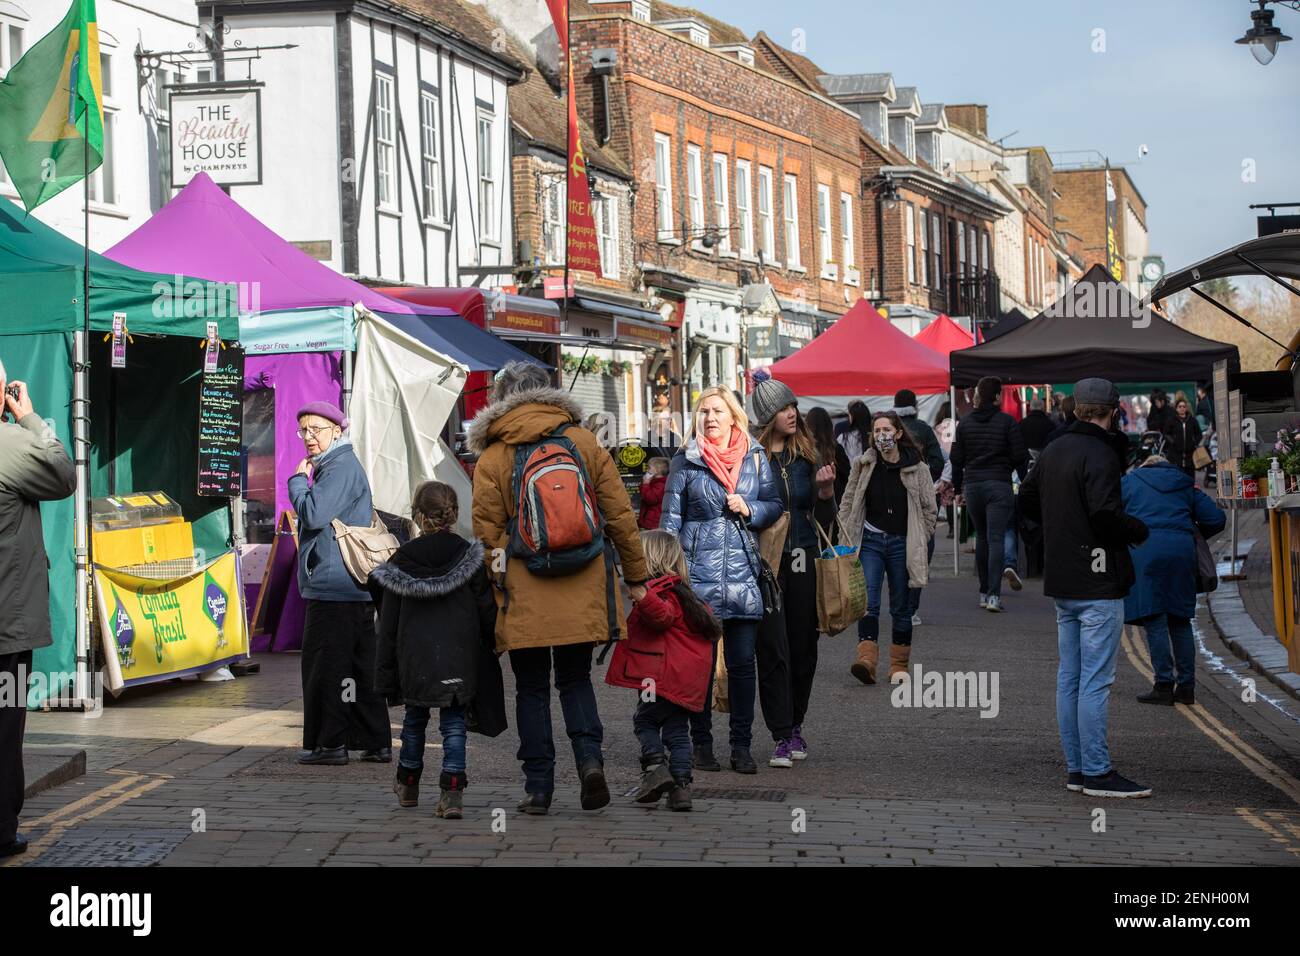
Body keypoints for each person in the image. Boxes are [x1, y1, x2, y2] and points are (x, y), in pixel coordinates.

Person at [468, 362, 649, 814]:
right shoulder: (584, 442)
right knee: (574, 679)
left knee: (531, 688)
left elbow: (487, 537)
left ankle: (538, 787)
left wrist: (497, 583)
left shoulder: (493, 456)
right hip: (583, 583)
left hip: (524, 588)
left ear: (502, 398)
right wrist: (637, 577)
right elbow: (621, 517)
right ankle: (590, 762)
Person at [1018, 378, 1152, 798]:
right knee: (1095, 680)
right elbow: (1105, 514)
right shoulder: (1101, 453)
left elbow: (1025, 501)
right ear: (1111, 411)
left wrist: (1051, 536)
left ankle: (1078, 768)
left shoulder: (1054, 449)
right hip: (1097, 580)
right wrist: (1138, 530)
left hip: (1063, 578)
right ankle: (1097, 771)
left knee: (1070, 678)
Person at [660, 386, 782, 774]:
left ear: (733, 416)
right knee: (700, 664)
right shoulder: (686, 460)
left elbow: (775, 504)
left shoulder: (755, 457)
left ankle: (741, 746)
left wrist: (752, 507)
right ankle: (702, 746)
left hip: (744, 573)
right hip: (698, 578)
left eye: (717, 411)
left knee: (744, 664)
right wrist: (664, 574)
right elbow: (670, 521)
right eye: (703, 412)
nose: (709, 418)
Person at [369, 481, 505, 820]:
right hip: (459, 656)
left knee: (414, 721)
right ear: (454, 514)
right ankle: (452, 793)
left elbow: (388, 622)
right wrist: (492, 644)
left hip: (415, 659)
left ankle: (408, 785)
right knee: (454, 725)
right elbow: (486, 610)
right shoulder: (469, 558)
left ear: (417, 515)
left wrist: (387, 668)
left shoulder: (402, 560)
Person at [288, 401, 392, 766]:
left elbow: (314, 514)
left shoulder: (339, 466)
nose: (308, 437)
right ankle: (375, 741)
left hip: (334, 586)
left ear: (337, 430)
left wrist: (297, 483)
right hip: (352, 585)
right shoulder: (338, 465)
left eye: (316, 429)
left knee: (327, 667)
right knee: (360, 666)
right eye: (303, 430)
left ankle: (330, 744)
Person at [0, 367, 76, 858]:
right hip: (5, 624)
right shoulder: (9, 445)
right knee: (4, 727)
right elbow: (63, 473)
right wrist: (28, 417)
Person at [750, 377, 837, 768]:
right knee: (772, 646)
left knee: (804, 645)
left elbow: (825, 520)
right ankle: (781, 733)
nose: (792, 413)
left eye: (793, 406)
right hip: (767, 563)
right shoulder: (752, 459)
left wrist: (825, 494)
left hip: (803, 556)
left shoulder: (807, 456)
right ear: (768, 416)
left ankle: (797, 722)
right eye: (784, 408)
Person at [606, 530, 721, 811]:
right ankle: (681, 788)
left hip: (656, 680)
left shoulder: (661, 592)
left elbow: (662, 616)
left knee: (645, 722)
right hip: (682, 683)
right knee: (678, 730)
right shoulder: (686, 594)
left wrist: (642, 596)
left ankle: (656, 766)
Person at [840, 411, 937, 685]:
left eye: (886, 429)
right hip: (870, 541)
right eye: (877, 429)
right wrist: (845, 536)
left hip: (901, 543)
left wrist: (922, 534)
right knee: (868, 603)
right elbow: (848, 501)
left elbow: (930, 508)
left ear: (898, 433)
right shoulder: (864, 464)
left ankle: (898, 665)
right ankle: (867, 660)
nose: (881, 434)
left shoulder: (918, 468)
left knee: (901, 606)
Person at [1122, 456, 1226, 705]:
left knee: (1155, 618)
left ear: (1145, 467)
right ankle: (1187, 687)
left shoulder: (1129, 481)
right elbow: (1216, 519)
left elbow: (1113, 515)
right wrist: (1191, 532)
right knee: (1180, 619)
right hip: (1181, 552)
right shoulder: (1184, 482)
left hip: (1146, 549)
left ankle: (1164, 684)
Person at [950, 376, 1028, 612]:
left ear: (977, 396)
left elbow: (956, 459)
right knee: (996, 539)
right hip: (999, 483)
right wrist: (1021, 478)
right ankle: (994, 596)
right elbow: (1020, 455)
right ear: (996, 397)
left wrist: (956, 487)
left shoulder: (964, 423)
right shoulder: (1007, 422)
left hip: (973, 485)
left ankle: (984, 592)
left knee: (981, 538)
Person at [805, 405, 851, 503]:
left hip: (811, 503)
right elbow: (848, 477)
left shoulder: (805, 451)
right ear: (829, 425)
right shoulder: (836, 449)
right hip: (836, 502)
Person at [1162, 397, 1203, 479]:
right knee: (1177, 477)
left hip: (1189, 454)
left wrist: (1194, 443)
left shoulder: (1192, 420)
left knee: (1190, 478)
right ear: (1176, 408)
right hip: (1176, 454)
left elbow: (1199, 434)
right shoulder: (1171, 420)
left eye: (1184, 406)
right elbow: (1166, 433)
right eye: (1180, 406)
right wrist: (1173, 442)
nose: (1182, 408)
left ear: (1186, 408)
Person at [638, 457, 669, 529]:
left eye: (649, 468)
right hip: (649, 520)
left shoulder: (661, 484)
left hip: (654, 522)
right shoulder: (654, 483)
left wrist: (646, 484)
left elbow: (650, 499)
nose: (647, 470)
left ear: (657, 470)